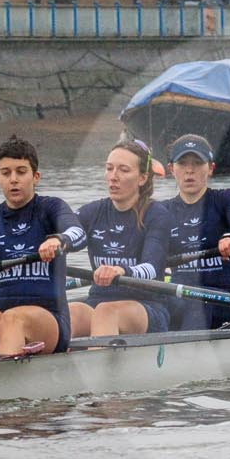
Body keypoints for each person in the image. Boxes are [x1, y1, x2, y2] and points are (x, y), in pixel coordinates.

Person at [0, 136, 85, 357]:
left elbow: (77, 233)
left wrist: (58, 240)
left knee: (14, 318)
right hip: (2, 314)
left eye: (21, 172)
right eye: (6, 173)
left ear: (35, 176)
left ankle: (3, 385)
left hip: (50, 319)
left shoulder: (51, 208)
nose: (14, 180)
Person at [143, 134, 230, 329]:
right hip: (180, 297)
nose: (189, 170)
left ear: (210, 168)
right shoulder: (161, 210)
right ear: (171, 169)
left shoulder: (226, 199)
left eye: (197, 163)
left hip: (227, 300)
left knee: (195, 306)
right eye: (182, 163)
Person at [73, 140, 167, 338]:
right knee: (69, 311)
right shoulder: (93, 212)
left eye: (123, 170)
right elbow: (65, 233)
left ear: (142, 178)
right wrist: (54, 241)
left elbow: (152, 268)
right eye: (109, 168)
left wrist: (121, 270)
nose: (113, 177)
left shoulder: (157, 214)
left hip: (147, 306)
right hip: (98, 301)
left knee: (107, 312)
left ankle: (96, 365)